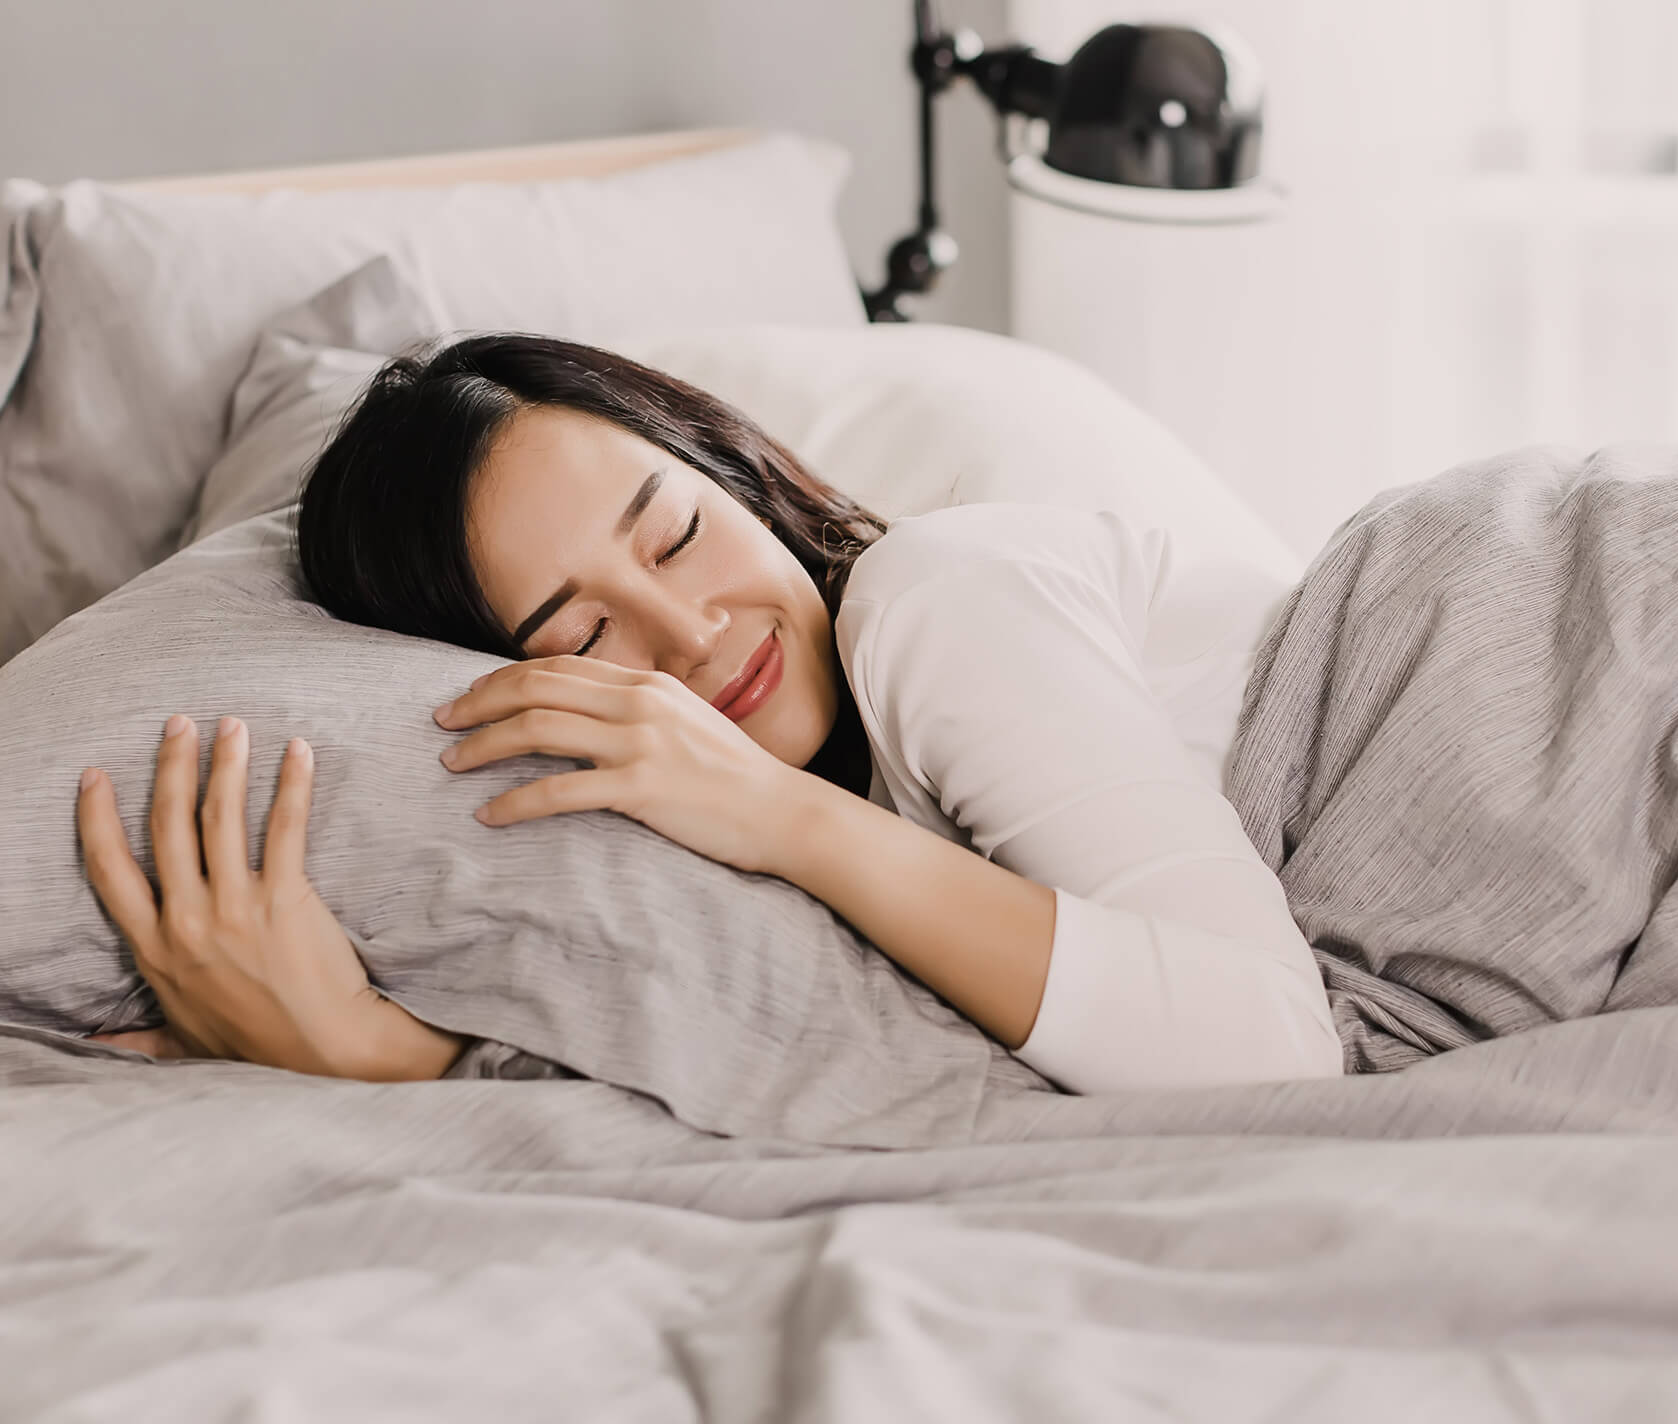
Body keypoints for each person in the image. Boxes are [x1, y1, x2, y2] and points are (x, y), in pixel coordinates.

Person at [74, 336, 1348, 1094]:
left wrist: (779, 812)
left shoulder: (936, 599)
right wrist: (388, 1057)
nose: (692, 635)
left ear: (736, 473)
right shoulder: (744, 880)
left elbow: (1269, 1056)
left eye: (677, 534)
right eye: (580, 637)